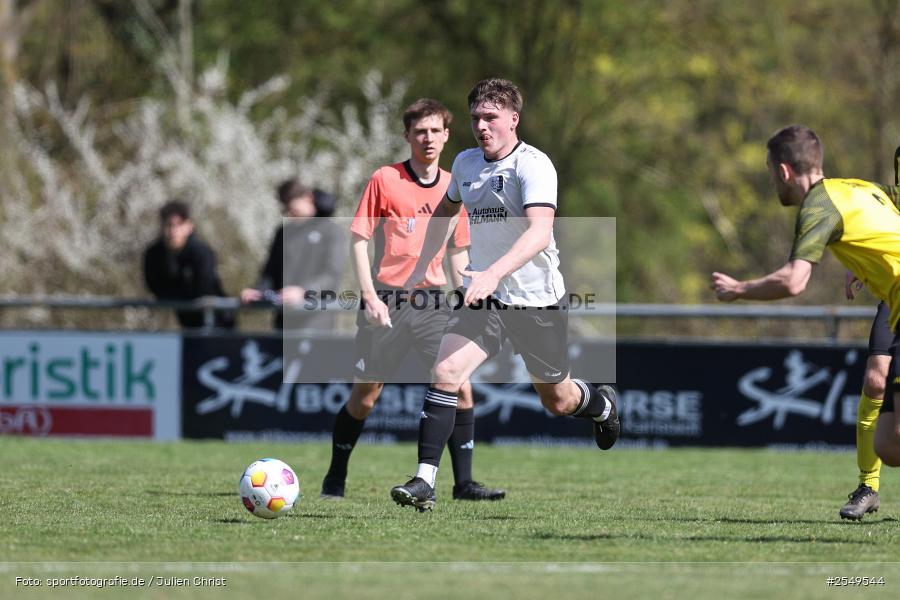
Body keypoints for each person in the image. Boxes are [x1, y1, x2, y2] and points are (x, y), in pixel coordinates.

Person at [389, 79, 620, 512]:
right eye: (476, 117)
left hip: (536, 301)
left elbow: (540, 232)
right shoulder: (465, 163)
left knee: (559, 400)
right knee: (446, 371)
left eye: (491, 117)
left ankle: (601, 404)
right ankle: (425, 482)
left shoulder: (533, 165)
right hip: (486, 298)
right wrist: (423, 265)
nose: (481, 125)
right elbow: (444, 211)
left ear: (514, 119)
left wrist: (492, 273)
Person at [320, 98, 506, 503]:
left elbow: (457, 249)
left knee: (459, 384)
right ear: (407, 136)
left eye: (435, 130)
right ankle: (335, 477)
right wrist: (369, 296)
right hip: (386, 299)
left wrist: (465, 293)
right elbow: (358, 238)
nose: (428, 138)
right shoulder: (384, 180)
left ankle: (464, 484)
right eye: (419, 131)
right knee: (365, 396)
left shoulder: (453, 185)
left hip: (433, 303)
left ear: (446, 136)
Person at [710, 125, 900, 486]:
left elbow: (793, 281)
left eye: (770, 172)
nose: (772, 181)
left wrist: (739, 289)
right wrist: (865, 264)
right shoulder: (856, 188)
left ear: (783, 171)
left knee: (891, 441)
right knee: (889, 445)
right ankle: (867, 486)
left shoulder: (819, 205)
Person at [240, 180, 345, 329]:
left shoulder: (332, 231)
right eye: (287, 209)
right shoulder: (283, 233)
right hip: (284, 321)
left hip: (317, 321)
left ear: (308, 198)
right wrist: (258, 291)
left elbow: (331, 274)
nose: (291, 214)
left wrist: (304, 292)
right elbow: (270, 272)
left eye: (293, 208)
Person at [143, 200, 234, 329]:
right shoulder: (154, 255)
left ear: (189, 227)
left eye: (179, 225)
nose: (173, 230)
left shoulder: (201, 253)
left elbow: (205, 288)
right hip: (187, 321)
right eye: (169, 225)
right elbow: (156, 287)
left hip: (218, 320)